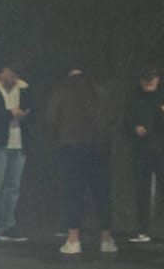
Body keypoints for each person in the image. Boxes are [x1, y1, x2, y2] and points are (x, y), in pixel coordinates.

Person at [46, 65, 116, 255]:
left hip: (71, 147)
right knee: (101, 194)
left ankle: (74, 240)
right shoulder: (99, 90)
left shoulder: (61, 90)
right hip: (99, 148)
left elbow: (51, 119)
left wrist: (56, 142)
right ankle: (106, 239)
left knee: (73, 194)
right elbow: (111, 119)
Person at [122, 68, 164, 243]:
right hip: (143, 149)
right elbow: (126, 122)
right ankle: (143, 229)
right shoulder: (135, 98)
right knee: (142, 190)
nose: (149, 86)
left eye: (152, 82)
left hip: (161, 149)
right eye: (147, 83)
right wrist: (134, 128)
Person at [0, 61, 31, 243]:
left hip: (18, 143)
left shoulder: (23, 89)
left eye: (17, 76)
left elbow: (30, 111)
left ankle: (7, 226)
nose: (14, 79)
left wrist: (22, 115)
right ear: (3, 70)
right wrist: (11, 113)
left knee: (12, 188)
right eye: (12, 74)